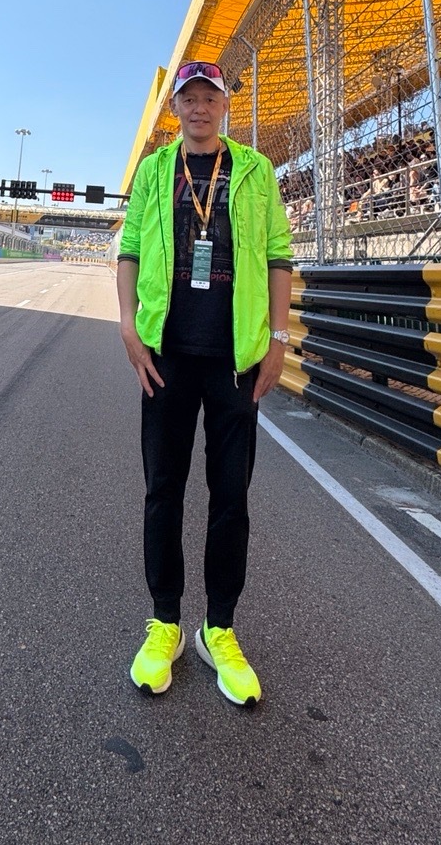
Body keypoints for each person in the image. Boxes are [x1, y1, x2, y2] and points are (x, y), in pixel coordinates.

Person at [117, 61, 293, 707]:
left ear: (224, 106)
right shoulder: (154, 173)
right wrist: (128, 328)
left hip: (235, 361)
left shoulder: (254, 171)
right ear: (175, 108)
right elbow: (130, 249)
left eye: (209, 98)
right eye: (188, 98)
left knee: (231, 498)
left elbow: (278, 255)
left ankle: (219, 627)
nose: (198, 108)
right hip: (165, 355)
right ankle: (165, 620)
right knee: (163, 490)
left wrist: (277, 341)